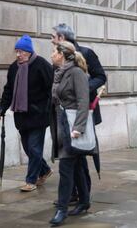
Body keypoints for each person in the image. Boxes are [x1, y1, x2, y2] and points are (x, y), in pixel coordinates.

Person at [51, 23, 107, 203]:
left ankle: (82, 195)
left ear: (61, 37)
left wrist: (81, 88)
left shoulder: (86, 53)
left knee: (79, 156)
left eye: (53, 36)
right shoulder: (58, 57)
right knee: (70, 158)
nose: (51, 40)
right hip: (64, 116)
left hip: (82, 113)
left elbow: (101, 76)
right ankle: (77, 195)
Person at [0, 35, 54, 192]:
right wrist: (2, 107)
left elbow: (52, 89)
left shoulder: (41, 65)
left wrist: (46, 108)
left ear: (28, 52)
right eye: (16, 51)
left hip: (38, 115)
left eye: (20, 51)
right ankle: (45, 170)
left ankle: (31, 180)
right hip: (21, 115)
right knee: (29, 148)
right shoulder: (14, 67)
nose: (18, 55)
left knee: (35, 148)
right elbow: (8, 90)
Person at [49, 41, 91, 226]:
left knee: (66, 168)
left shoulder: (76, 73)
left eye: (53, 51)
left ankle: (62, 210)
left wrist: (78, 128)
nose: (51, 54)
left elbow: (84, 101)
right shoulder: (59, 73)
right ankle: (84, 201)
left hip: (73, 127)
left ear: (62, 54)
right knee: (78, 165)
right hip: (61, 124)